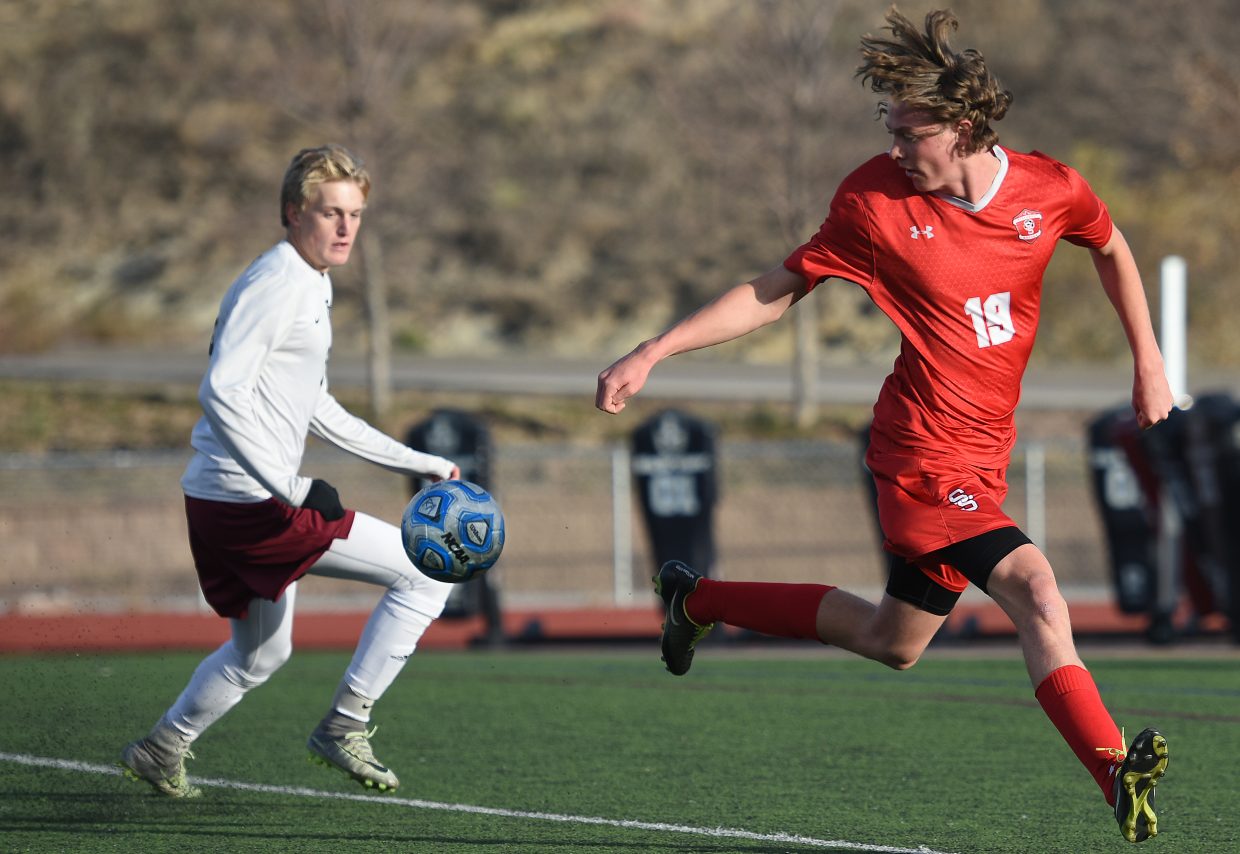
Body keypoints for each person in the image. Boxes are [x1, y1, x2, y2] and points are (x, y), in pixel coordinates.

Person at [596, 8, 1171, 845]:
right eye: (890, 131)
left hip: (984, 458)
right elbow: (776, 286)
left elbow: (1111, 245)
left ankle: (695, 597)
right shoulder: (875, 203)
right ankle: (1113, 768)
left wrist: (1148, 361)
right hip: (920, 456)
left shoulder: (1051, 190)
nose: (897, 149)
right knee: (1039, 590)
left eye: (911, 133)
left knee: (891, 639)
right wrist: (657, 349)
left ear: (965, 128)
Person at [120, 144, 460, 798]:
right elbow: (221, 391)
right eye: (329, 212)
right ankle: (344, 724)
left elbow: (318, 409)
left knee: (261, 653)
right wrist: (295, 488)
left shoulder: (309, 282)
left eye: (355, 214)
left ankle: (162, 747)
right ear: (291, 212)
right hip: (253, 503)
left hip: (221, 498)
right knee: (425, 571)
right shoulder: (279, 282)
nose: (344, 228)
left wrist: (419, 462)